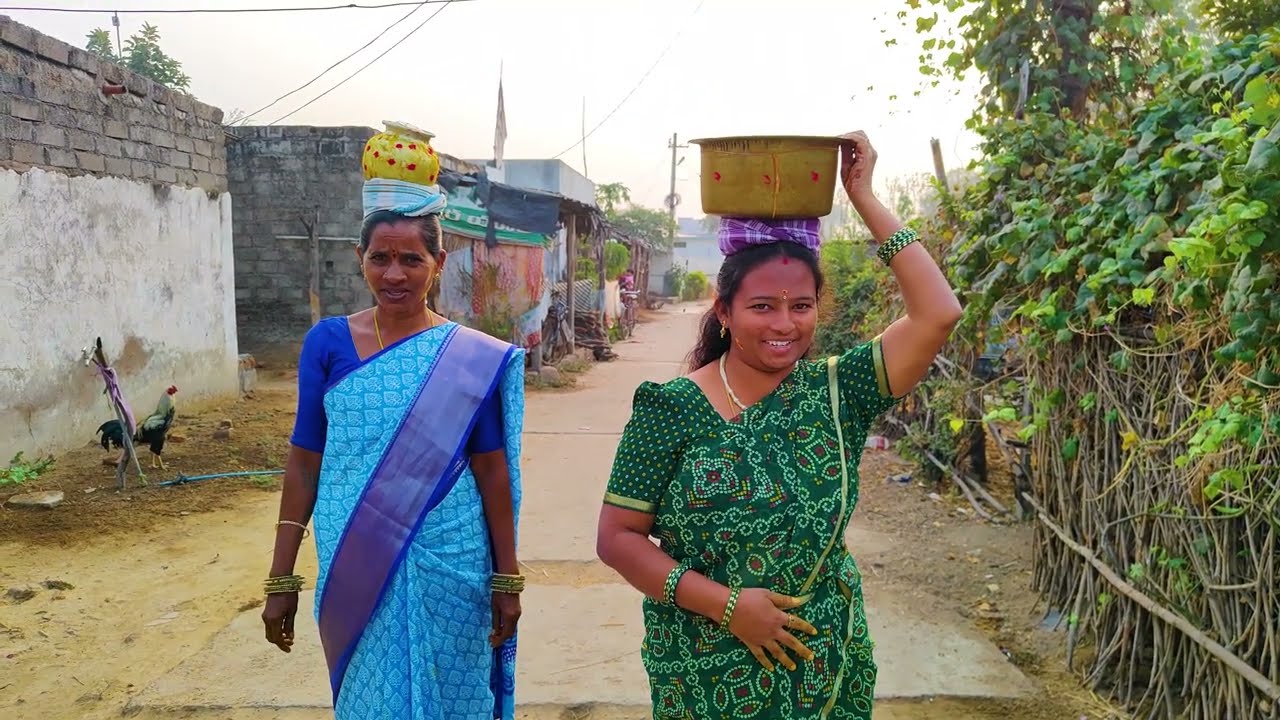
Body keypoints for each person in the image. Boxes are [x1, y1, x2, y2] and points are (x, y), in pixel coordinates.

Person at [595, 131, 962, 719]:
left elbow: (939, 311)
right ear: (724, 311)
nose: (784, 325)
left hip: (822, 665)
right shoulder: (669, 409)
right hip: (704, 667)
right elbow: (617, 540)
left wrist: (862, 196)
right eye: (762, 306)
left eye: (802, 306)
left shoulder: (840, 392)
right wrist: (728, 605)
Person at [260, 123, 526, 720]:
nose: (395, 274)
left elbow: (490, 468)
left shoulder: (469, 357)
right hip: (356, 554)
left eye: (412, 258)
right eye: (379, 258)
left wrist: (506, 576)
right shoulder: (327, 344)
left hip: (453, 559)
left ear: (440, 259)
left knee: (454, 694)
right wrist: (281, 576)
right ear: (360, 258)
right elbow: (305, 460)